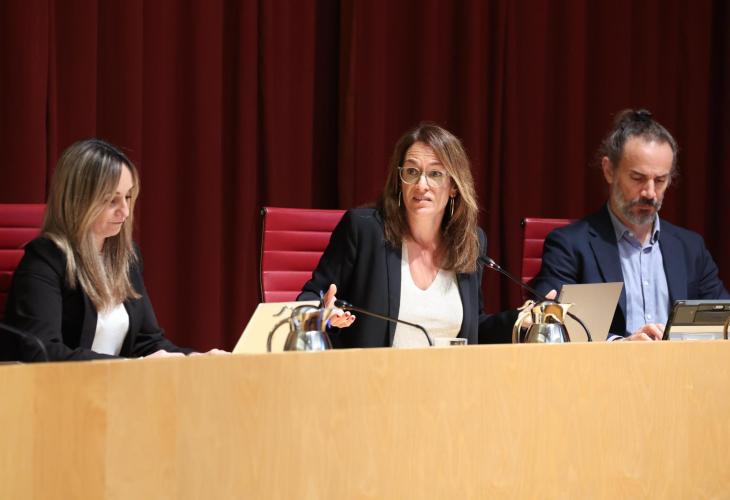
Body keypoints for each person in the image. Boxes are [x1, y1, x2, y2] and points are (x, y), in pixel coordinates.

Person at [298, 123, 522, 348]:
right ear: (399, 180)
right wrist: (323, 315)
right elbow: (309, 299)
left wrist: (520, 321)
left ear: (454, 186)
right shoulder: (364, 231)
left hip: (448, 371)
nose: (421, 185)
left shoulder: (469, 242)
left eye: (435, 174)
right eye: (412, 172)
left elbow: (473, 328)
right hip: (376, 370)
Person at [3, 138, 226, 360]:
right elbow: (43, 351)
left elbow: (148, 343)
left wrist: (196, 359)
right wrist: (133, 366)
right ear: (77, 201)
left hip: (120, 381)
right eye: (112, 200)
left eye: (128, 197)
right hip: (63, 383)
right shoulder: (45, 260)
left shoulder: (126, 257)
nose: (125, 212)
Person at [533, 109, 729, 341]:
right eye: (637, 178)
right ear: (609, 170)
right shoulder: (570, 245)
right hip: (607, 365)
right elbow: (551, 327)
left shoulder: (690, 247)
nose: (650, 193)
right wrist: (622, 346)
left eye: (660, 180)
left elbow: (721, 322)